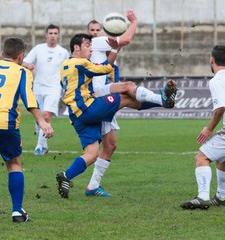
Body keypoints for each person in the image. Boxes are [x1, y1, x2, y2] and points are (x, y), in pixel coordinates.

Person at [55, 33, 177, 199]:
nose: (90, 49)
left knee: (91, 154)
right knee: (126, 96)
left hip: (76, 116)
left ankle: (66, 176)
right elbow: (106, 68)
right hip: (89, 108)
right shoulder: (81, 62)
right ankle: (162, 100)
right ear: (76, 48)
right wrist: (114, 48)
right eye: (87, 46)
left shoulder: (65, 64)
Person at [0, 37, 54, 222]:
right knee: (14, 164)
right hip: (6, 125)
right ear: (21, 56)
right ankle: (17, 211)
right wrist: (42, 122)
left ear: (2, 53)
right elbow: (29, 100)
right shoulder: (23, 72)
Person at [85, 10, 141, 197]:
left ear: (102, 29)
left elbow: (114, 54)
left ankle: (93, 186)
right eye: (91, 30)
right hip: (99, 97)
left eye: (97, 29)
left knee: (110, 145)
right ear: (88, 32)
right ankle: (162, 99)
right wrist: (133, 22)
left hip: (103, 93)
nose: (94, 32)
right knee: (129, 91)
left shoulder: (100, 47)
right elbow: (126, 40)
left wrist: (116, 48)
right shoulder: (95, 43)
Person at [180, 45, 225, 210]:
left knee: (202, 157)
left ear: (211, 60)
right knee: (222, 158)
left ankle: (203, 197)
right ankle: (221, 196)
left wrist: (209, 128)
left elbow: (220, 108)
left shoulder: (218, 80)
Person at [22, 24, 69, 156]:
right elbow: (24, 62)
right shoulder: (38, 49)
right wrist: (28, 65)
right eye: (50, 33)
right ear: (46, 35)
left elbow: (67, 70)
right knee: (39, 117)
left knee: (46, 115)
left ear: (58, 35)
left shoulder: (63, 52)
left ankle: (39, 146)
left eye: (55, 33)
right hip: (38, 87)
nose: (53, 36)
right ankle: (44, 144)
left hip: (54, 87)